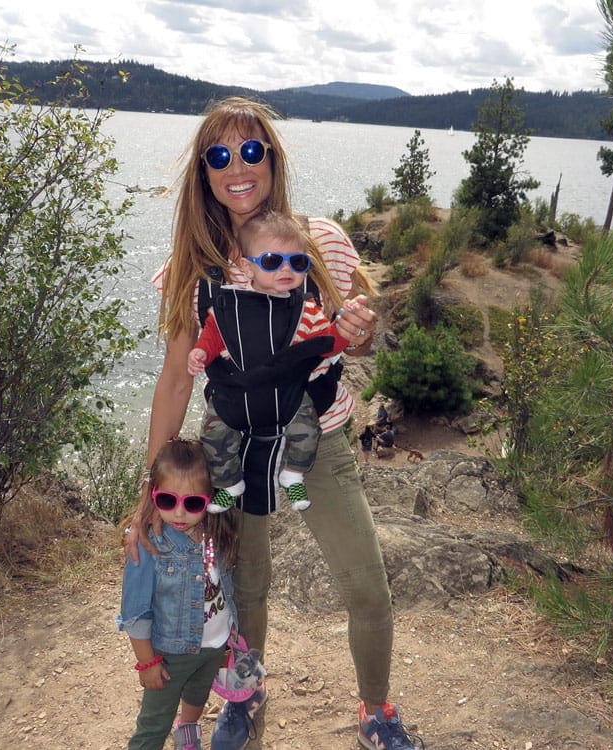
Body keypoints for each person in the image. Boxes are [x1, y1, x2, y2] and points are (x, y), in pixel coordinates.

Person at [127, 96, 423, 750]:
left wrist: (363, 331)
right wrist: (156, 489)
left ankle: (376, 711)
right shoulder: (193, 267)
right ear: (205, 173)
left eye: (253, 150)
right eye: (220, 155)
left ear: (273, 160)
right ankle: (244, 694)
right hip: (231, 450)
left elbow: (352, 338)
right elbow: (178, 378)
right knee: (246, 590)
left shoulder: (322, 245)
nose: (239, 166)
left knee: (367, 589)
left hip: (318, 443)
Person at [187, 210, 354, 514]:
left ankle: (293, 473)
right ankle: (228, 484)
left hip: (287, 399)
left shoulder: (306, 310)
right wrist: (200, 352)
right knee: (213, 434)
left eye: (298, 262)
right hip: (238, 400)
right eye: (272, 261)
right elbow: (213, 334)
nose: (285, 269)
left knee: (307, 430)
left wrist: (346, 329)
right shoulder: (231, 305)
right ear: (247, 267)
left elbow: (327, 344)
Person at [118, 438, 240, 750]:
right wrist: (147, 663)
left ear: (209, 499)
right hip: (171, 655)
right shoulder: (149, 546)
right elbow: (134, 613)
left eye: (193, 503)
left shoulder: (217, 530)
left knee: (198, 694)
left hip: (214, 645)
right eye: (167, 500)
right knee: (154, 723)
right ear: (153, 494)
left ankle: (187, 727)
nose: (180, 512)